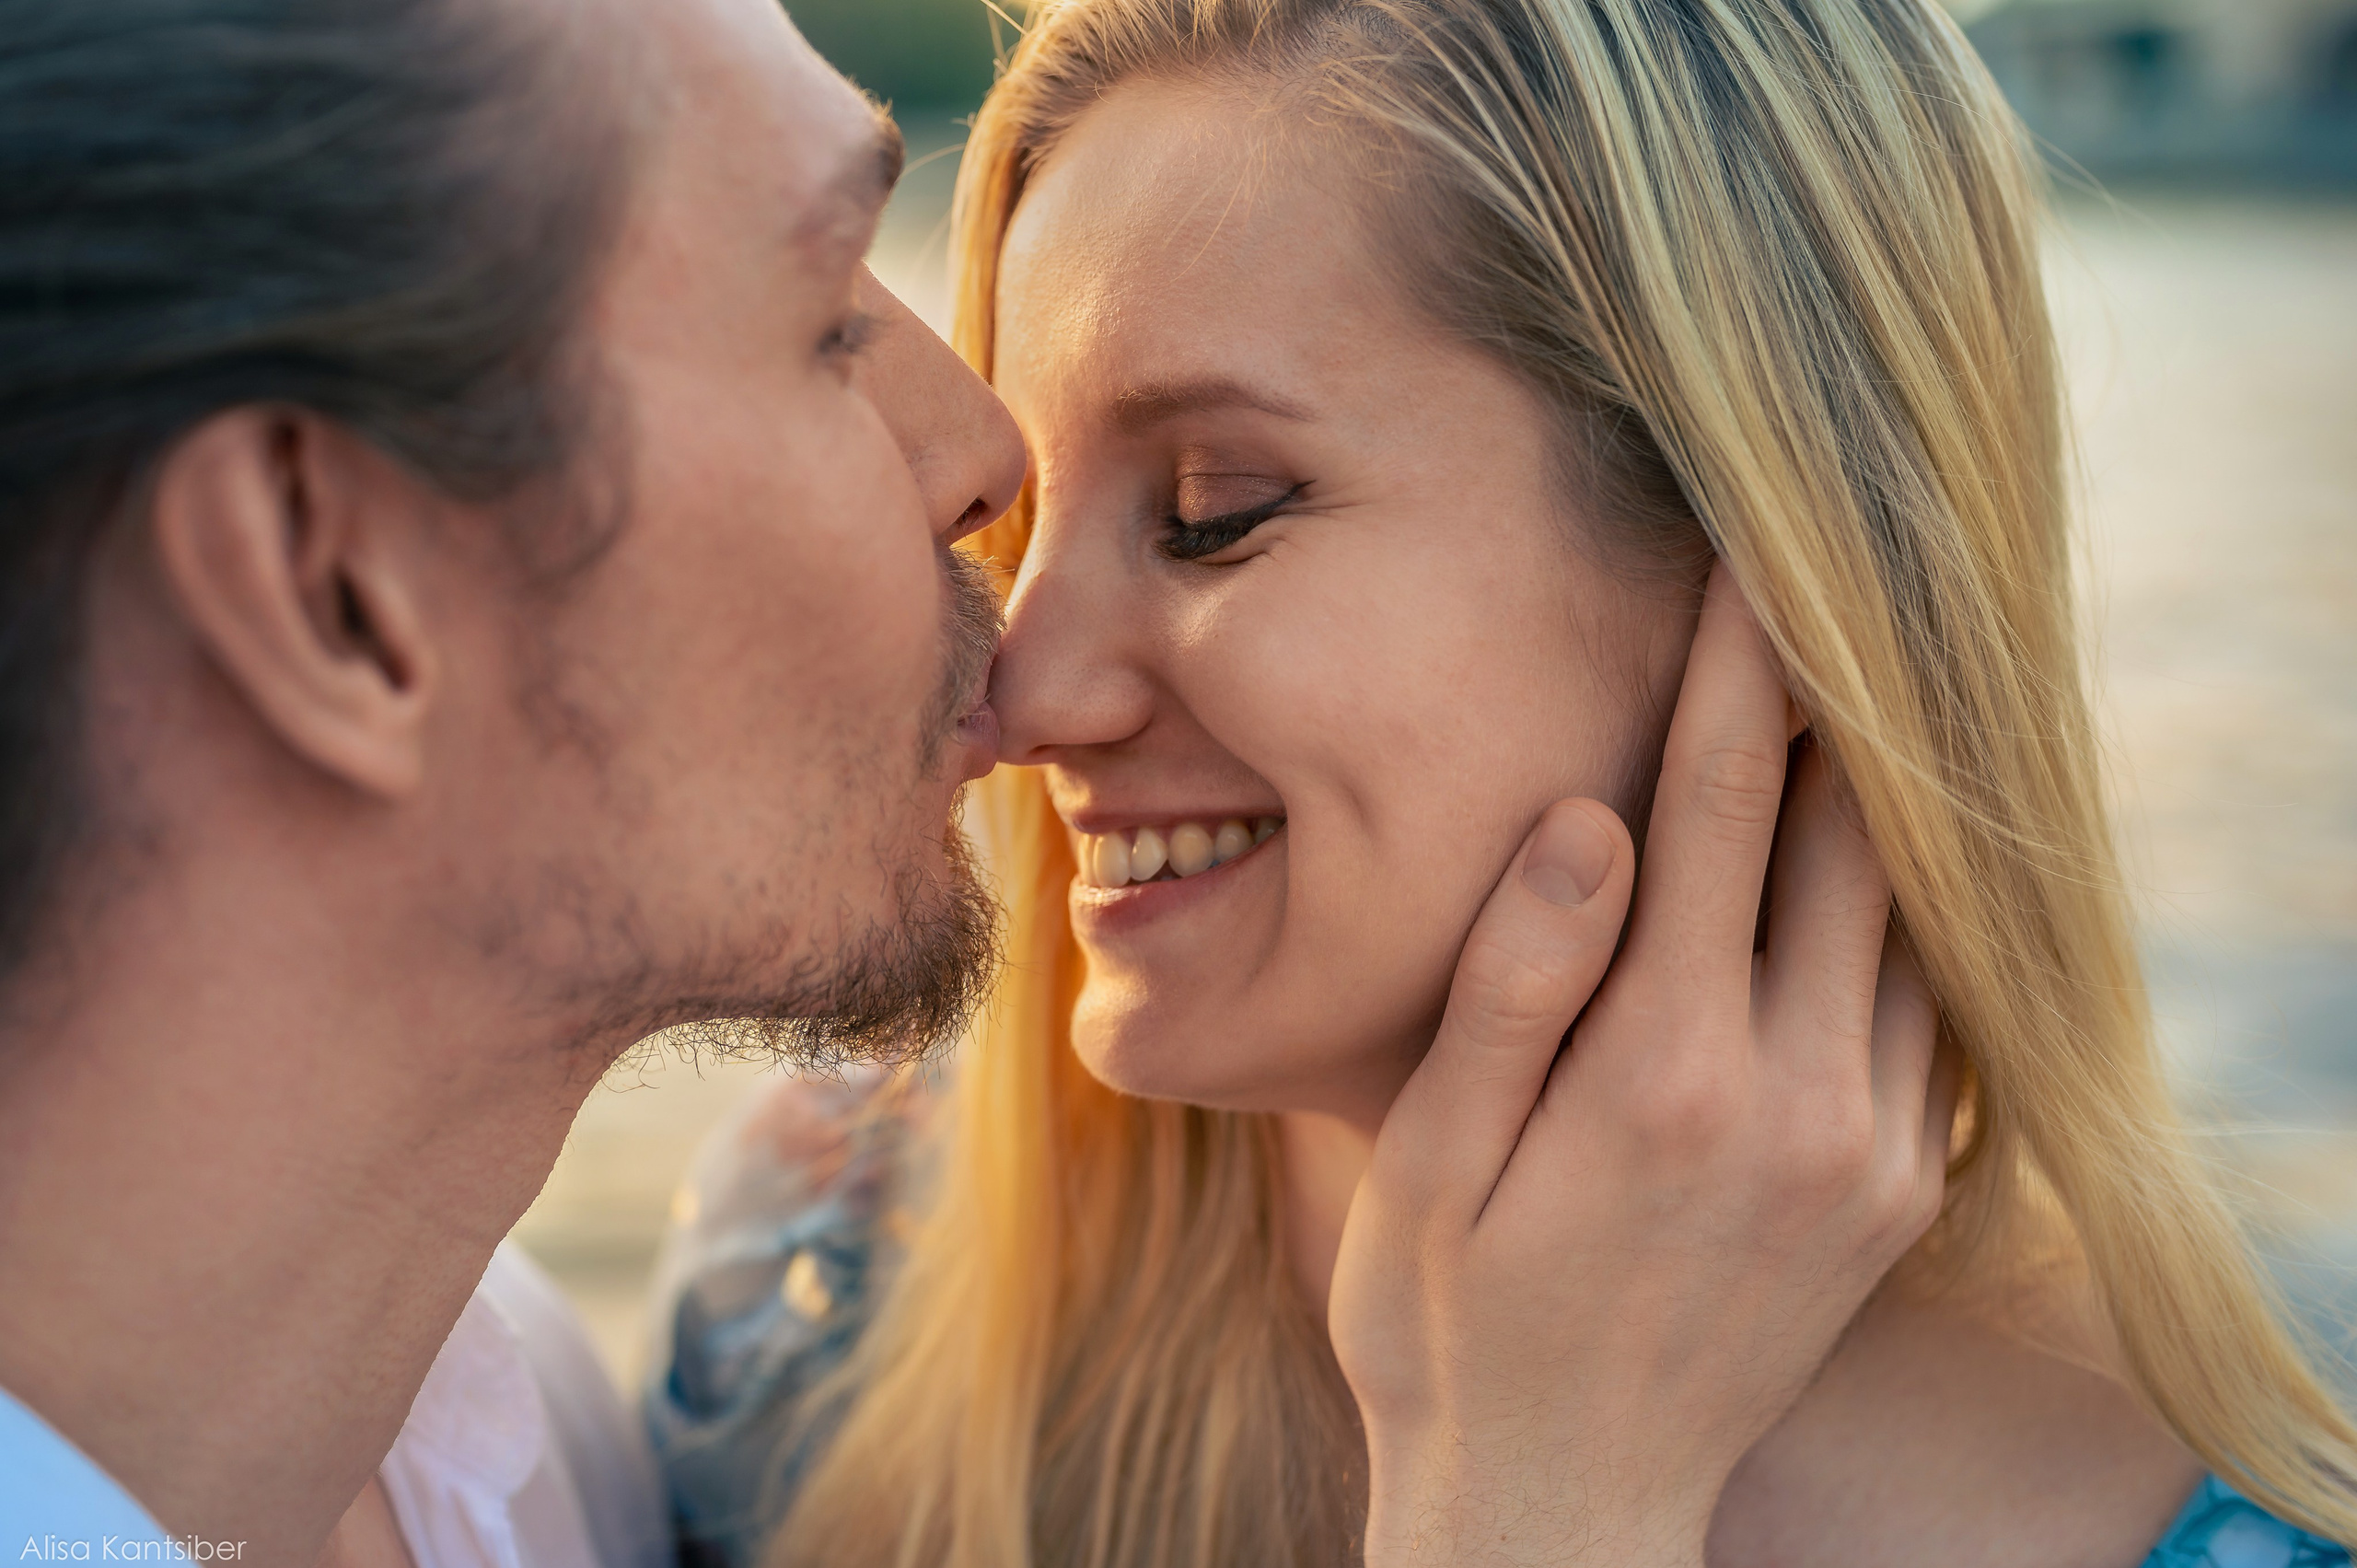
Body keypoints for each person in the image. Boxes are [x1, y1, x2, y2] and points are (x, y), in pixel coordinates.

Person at [0, 0, 1952, 1563]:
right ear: (332, 587)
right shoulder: (808, 1357)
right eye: (829, 312)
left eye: (1212, 510)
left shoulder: (515, 1455)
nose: (985, 502)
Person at [645, 0, 2357, 1564]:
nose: (1021, 691)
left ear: (1775, 581)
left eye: (1216, 510)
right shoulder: (822, 1282)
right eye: (1017, 535)